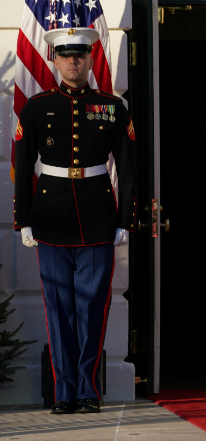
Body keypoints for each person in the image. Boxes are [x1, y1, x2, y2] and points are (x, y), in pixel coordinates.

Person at [13, 28, 137, 414]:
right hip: (51, 216)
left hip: (98, 216)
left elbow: (129, 167)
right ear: (53, 59)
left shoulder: (112, 106)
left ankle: (88, 390)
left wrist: (124, 218)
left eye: (80, 55)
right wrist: (24, 219)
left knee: (93, 308)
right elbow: (21, 164)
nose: (73, 62)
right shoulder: (36, 107)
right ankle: (64, 391)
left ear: (89, 59)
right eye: (65, 56)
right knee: (59, 309)